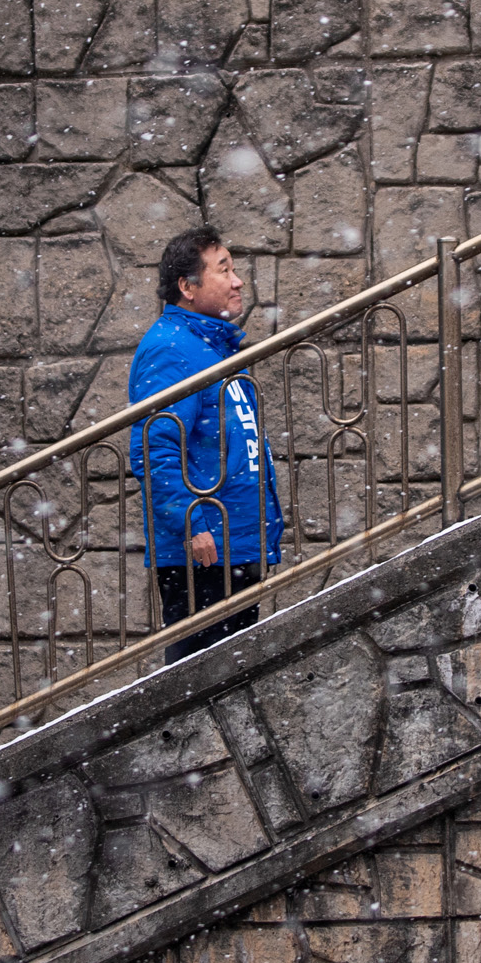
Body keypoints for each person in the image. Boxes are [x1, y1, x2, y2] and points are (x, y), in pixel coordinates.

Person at [129, 226, 285, 664]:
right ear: (187, 286)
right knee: (199, 681)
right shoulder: (172, 349)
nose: (238, 281)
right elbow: (152, 448)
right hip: (206, 549)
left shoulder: (210, 347)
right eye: (224, 271)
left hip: (232, 542)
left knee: (229, 678)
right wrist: (193, 521)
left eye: (234, 269)